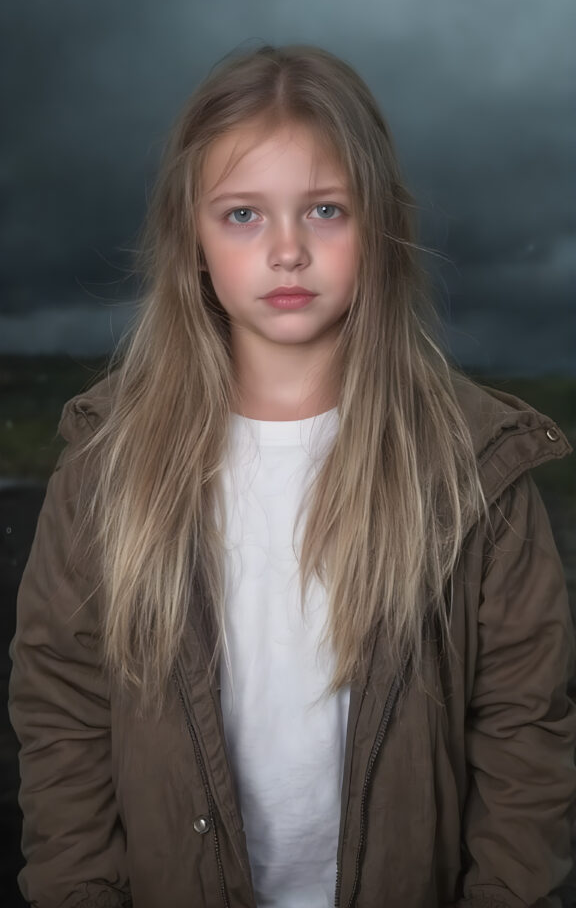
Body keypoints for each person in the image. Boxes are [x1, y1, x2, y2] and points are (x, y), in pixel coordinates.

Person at [8, 44, 576, 908]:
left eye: (324, 210)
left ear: (379, 228)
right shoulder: (109, 464)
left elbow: (524, 737)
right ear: (190, 239)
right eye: (242, 215)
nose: (286, 250)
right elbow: (64, 709)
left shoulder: (475, 468)